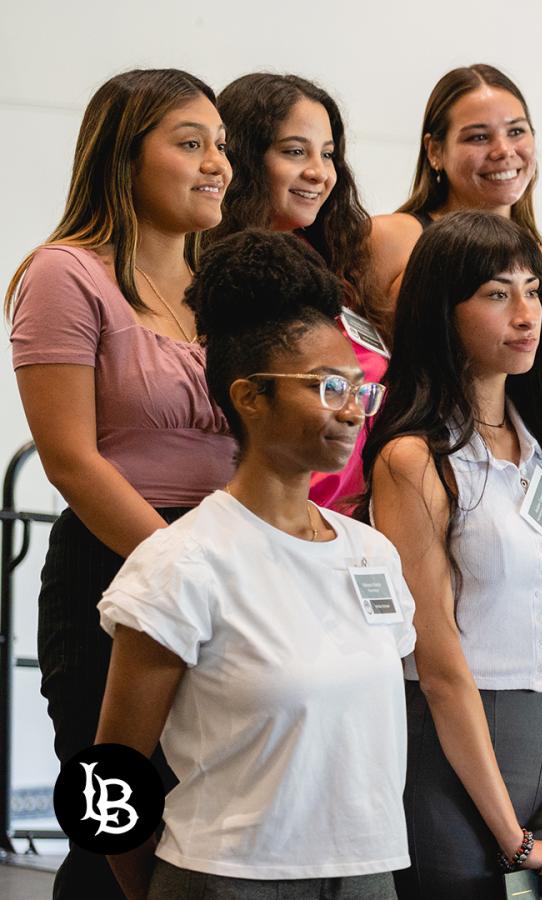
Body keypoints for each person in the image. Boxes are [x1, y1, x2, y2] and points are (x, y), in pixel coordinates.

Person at [94, 229, 411, 900]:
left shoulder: (373, 554)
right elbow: (108, 777)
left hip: (367, 874)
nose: (353, 410)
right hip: (226, 878)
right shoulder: (182, 564)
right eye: (328, 388)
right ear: (249, 397)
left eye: (359, 388)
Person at [5, 68, 234, 899]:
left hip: (230, 571)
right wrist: (192, 568)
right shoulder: (66, 274)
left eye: (222, 146)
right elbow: (71, 458)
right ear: (122, 156)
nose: (217, 163)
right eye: (189, 143)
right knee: (116, 829)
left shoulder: (226, 285)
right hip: (120, 567)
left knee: (210, 820)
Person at [363, 211, 542, 900]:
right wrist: (512, 837)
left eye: (533, 291)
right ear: (445, 311)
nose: (526, 313)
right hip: (450, 759)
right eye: (498, 294)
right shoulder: (415, 460)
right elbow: (439, 665)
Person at [214, 72, 387, 511]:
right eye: (295, 152)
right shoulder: (217, 274)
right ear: (245, 158)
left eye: (328, 155)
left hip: (349, 526)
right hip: (259, 520)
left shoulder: (338, 262)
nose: (318, 172)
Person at [366, 64, 542, 365]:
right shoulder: (386, 240)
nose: (503, 150)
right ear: (435, 151)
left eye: (516, 131)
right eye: (479, 137)